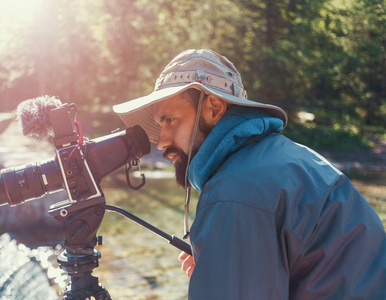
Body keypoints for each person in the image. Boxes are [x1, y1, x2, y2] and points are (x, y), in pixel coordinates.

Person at [113, 49, 386, 299]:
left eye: (169, 120)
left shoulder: (233, 194)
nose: (160, 142)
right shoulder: (285, 157)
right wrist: (224, 268)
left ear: (214, 109)